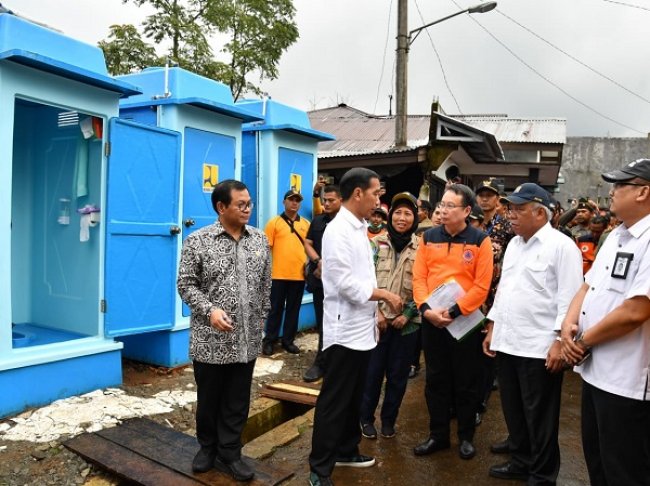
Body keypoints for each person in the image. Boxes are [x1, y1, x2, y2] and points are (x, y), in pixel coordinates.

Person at [482, 183, 583, 485]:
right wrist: (493, 326)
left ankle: (542, 474)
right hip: (509, 341)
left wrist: (558, 343)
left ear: (540, 212)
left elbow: (570, 299)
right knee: (514, 410)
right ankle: (521, 460)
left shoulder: (561, 246)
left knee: (540, 417)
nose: (510, 214)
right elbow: (505, 291)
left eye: (518, 209)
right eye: (510, 208)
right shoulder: (515, 244)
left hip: (539, 347)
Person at [308, 168, 403, 486]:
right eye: (376, 193)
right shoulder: (337, 231)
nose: (379, 199)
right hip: (343, 330)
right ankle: (319, 469)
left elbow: (364, 277)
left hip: (362, 328)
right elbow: (345, 283)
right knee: (335, 399)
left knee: (353, 396)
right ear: (358, 193)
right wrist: (385, 295)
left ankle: (346, 449)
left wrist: (375, 310)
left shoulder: (360, 227)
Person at [561, 158, 650, 486]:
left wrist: (583, 342)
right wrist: (569, 326)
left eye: (619, 186)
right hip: (595, 372)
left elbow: (636, 311)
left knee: (625, 471)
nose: (610, 193)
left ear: (643, 192)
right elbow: (588, 285)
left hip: (627, 382)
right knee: (597, 461)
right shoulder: (616, 236)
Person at [177, 179, 271, 481]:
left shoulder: (259, 240)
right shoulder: (197, 241)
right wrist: (209, 310)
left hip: (248, 339)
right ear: (221, 207)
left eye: (249, 204)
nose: (247, 209)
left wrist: (262, 321)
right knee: (210, 398)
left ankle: (230, 453)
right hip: (210, 340)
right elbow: (186, 285)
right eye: (241, 205)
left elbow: (265, 285)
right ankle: (207, 448)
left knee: (238, 398)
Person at [412, 184, 494, 460]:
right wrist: (426, 310)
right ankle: (438, 435)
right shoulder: (428, 237)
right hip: (433, 321)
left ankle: (466, 437)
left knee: (466, 382)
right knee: (435, 380)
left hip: (465, 323)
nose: (443, 210)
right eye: (441, 205)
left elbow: (482, 287)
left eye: (450, 206)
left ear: (467, 211)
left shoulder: (480, 241)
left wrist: (456, 311)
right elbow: (419, 278)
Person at [360, 192, 421, 440]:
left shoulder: (423, 248)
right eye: (398, 212)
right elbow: (364, 282)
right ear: (390, 215)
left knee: (397, 377)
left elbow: (424, 286)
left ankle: (388, 420)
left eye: (408, 213)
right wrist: (377, 313)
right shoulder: (375, 244)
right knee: (372, 375)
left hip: (407, 326)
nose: (402, 218)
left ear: (415, 218)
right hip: (377, 323)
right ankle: (365, 419)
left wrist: (407, 314)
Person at [302, 185, 343, 382]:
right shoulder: (318, 220)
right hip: (320, 282)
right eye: (324, 200)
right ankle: (321, 361)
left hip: (342, 285)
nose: (326, 203)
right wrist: (318, 261)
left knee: (340, 322)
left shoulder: (348, 224)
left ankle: (336, 363)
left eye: (330, 200)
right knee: (323, 322)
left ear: (341, 201)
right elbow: (307, 242)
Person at [262, 190, 310, 356]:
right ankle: (269, 341)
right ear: (284, 202)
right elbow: (266, 250)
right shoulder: (274, 223)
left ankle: (288, 341)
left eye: (297, 200)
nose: (294, 203)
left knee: (293, 310)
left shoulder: (305, 224)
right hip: (277, 275)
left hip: (298, 275)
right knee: (274, 309)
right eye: (291, 200)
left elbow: (310, 248)